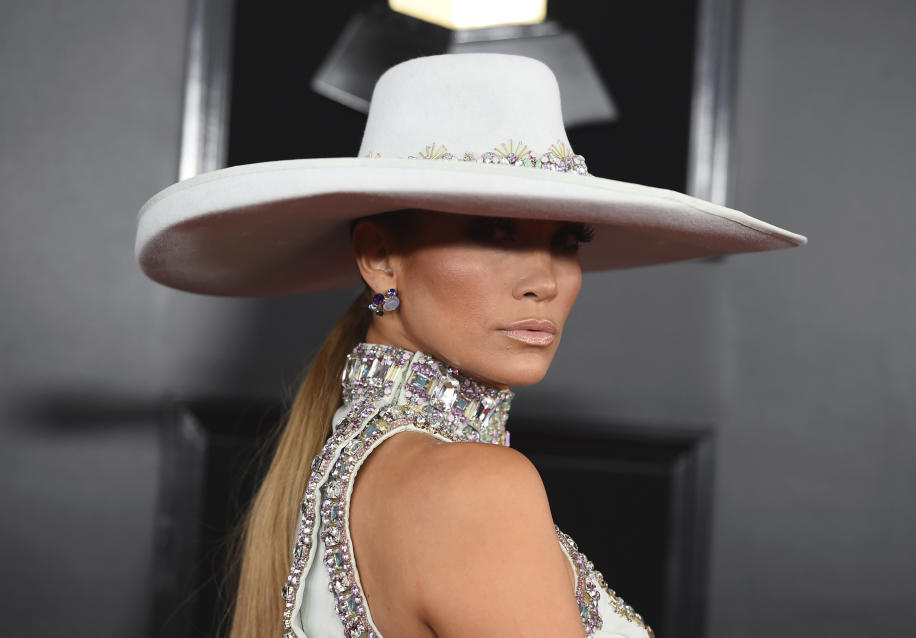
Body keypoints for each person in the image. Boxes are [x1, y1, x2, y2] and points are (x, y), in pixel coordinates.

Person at [136, 54, 804, 638]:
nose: (544, 281)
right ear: (380, 257)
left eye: (567, 239)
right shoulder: (473, 487)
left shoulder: (356, 467)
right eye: (494, 233)